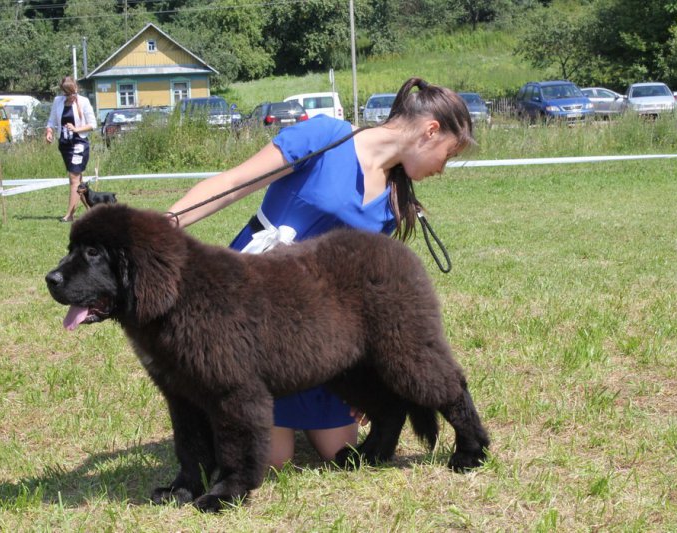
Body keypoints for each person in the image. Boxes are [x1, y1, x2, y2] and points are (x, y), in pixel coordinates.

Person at [166, 76, 474, 469]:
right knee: (272, 460)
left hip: (313, 332)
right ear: (431, 131)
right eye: (448, 155)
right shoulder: (325, 135)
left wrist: (369, 387)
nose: (441, 169)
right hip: (257, 311)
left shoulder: (395, 198)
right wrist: (166, 224)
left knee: (335, 450)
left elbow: (365, 304)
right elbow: (231, 184)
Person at [46, 76, 97, 222]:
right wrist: (49, 132)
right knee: (78, 180)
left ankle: (69, 215)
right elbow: (51, 120)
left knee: (74, 179)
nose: (70, 97)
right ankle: (92, 210)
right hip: (64, 144)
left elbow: (93, 124)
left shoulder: (84, 101)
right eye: (67, 94)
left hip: (79, 143)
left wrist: (76, 129)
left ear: (76, 89)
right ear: (63, 92)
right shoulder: (57, 101)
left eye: (72, 93)